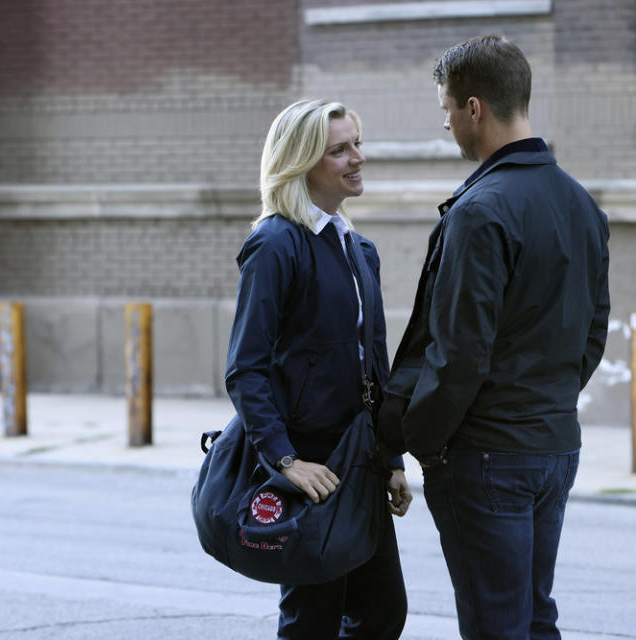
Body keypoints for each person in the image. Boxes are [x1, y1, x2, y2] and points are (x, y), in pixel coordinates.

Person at [377, 35, 610, 639]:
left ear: (473, 108)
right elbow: (592, 334)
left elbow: (457, 354)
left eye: (447, 110)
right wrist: (546, 401)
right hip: (554, 447)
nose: (447, 125)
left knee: (496, 627)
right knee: (532, 619)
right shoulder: (582, 205)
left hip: (486, 454)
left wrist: (423, 440)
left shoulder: (481, 211)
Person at [225, 98, 412, 640]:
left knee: (381, 613)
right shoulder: (274, 244)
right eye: (340, 150)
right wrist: (285, 460)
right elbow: (245, 369)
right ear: (303, 162)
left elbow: (374, 365)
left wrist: (392, 456)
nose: (357, 158)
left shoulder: (359, 248)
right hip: (312, 468)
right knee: (312, 621)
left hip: (360, 463)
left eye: (358, 144)